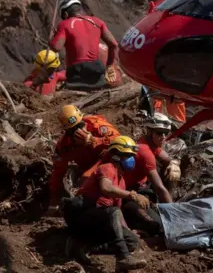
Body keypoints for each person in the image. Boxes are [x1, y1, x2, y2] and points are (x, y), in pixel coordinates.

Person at [61, 136, 147, 270]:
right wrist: (132, 195)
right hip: (81, 213)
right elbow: (106, 188)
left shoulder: (121, 181)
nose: (132, 160)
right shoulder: (107, 168)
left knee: (132, 241)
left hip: (99, 218)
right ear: (117, 156)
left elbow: (117, 212)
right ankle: (123, 257)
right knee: (113, 212)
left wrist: (127, 230)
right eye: (128, 156)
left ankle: (83, 247)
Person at [48, 105, 120, 214]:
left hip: (108, 161)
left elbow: (117, 139)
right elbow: (58, 172)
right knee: (81, 182)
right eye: (73, 130)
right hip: (86, 167)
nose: (79, 131)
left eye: (80, 126)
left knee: (86, 178)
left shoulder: (96, 124)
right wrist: (54, 198)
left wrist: (95, 140)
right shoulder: (65, 145)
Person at [121, 113, 176, 236]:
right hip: (128, 195)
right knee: (158, 227)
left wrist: (174, 163)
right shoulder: (145, 152)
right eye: (159, 133)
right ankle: (137, 230)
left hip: (142, 188)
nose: (163, 137)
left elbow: (166, 158)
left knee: (172, 172)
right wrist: (175, 215)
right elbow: (160, 188)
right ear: (149, 131)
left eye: (165, 133)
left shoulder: (149, 143)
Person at [49, 0, 119, 91]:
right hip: (97, 71)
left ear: (65, 15)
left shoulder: (65, 24)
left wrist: (52, 37)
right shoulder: (98, 22)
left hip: (77, 74)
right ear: (80, 10)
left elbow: (56, 47)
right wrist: (109, 65)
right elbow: (114, 44)